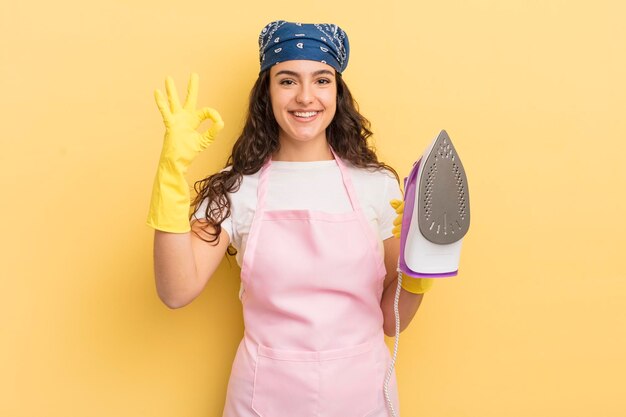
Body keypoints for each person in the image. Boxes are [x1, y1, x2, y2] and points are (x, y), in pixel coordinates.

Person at [147, 20, 434, 417]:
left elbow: (390, 319)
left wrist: (418, 273)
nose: (305, 97)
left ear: (337, 92)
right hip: (263, 400)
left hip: (362, 396)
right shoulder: (237, 190)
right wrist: (169, 176)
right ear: (267, 91)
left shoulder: (377, 185)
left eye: (321, 80)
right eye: (287, 81)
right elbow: (176, 290)